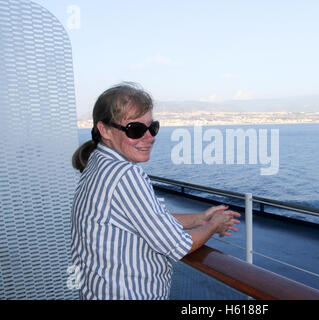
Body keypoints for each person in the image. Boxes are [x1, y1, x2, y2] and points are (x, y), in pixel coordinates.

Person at [71, 82, 240, 300]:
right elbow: (178, 246)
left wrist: (200, 218)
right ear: (104, 130)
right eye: (136, 130)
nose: (150, 137)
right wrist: (213, 226)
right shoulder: (124, 174)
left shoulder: (98, 162)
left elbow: (149, 220)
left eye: (153, 127)